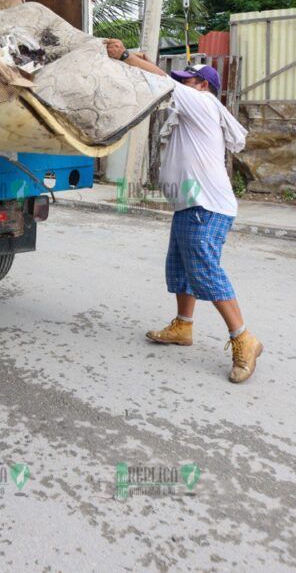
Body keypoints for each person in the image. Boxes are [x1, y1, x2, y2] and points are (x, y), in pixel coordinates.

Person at [104, 41, 264, 384]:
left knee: (205, 270)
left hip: (205, 205)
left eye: (186, 81)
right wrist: (138, 64)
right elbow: (159, 83)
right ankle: (183, 326)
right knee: (181, 269)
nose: (181, 85)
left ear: (203, 85)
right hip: (191, 203)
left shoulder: (203, 102)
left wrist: (123, 56)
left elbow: (162, 82)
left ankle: (243, 338)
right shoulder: (191, 112)